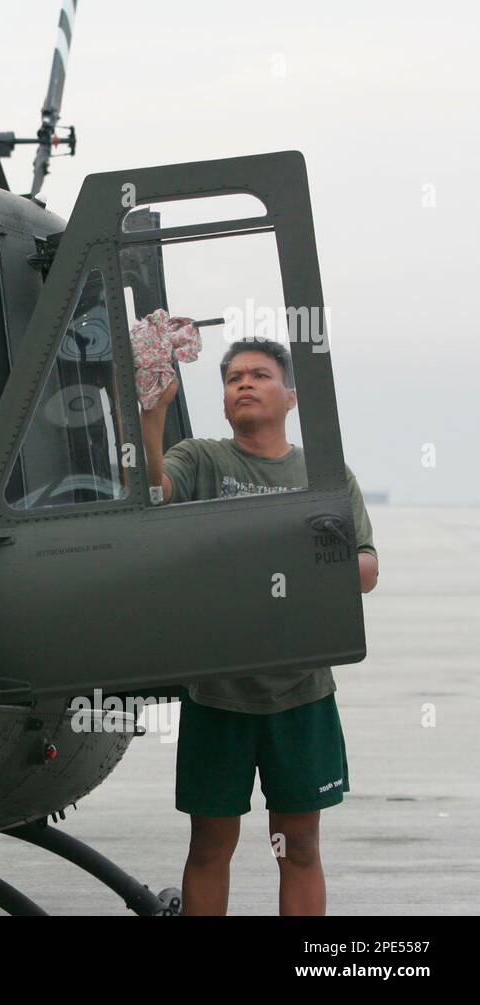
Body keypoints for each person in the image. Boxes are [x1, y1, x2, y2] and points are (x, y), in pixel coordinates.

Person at [140, 337, 379, 916]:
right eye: (232, 378)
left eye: (260, 375)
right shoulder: (202, 459)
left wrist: (302, 556)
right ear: (223, 402)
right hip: (219, 693)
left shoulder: (323, 471)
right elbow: (152, 495)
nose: (243, 383)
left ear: (290, 395)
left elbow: (367, 569)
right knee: (210, 846)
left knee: (298, 847)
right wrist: (153, 415)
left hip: (302, 693)